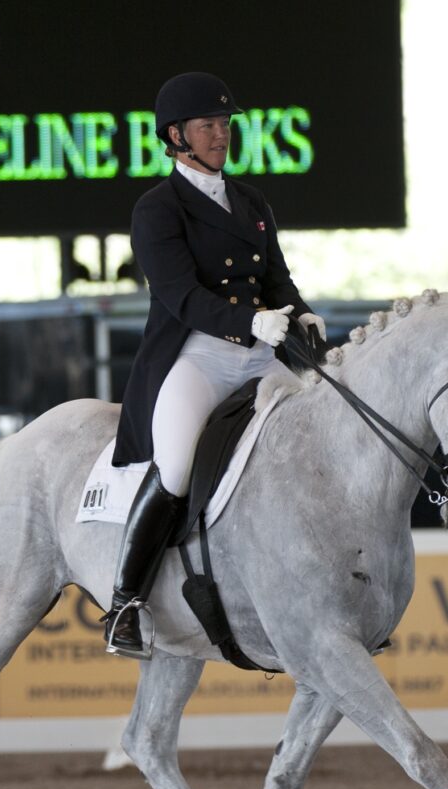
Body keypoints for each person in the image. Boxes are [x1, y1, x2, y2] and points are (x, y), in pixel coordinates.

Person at [103, 71, 324, 659]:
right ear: (176, 135)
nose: (221, 134)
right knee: (175, 468)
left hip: (258, 357)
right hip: (197, 355)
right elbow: (180, 294)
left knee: (313, 442)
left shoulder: (251, 201)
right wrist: (251, 321)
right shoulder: (157, 209)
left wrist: (301, 315)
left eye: (225, 124)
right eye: (209, 125)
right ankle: (125, 602)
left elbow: (276, 278)